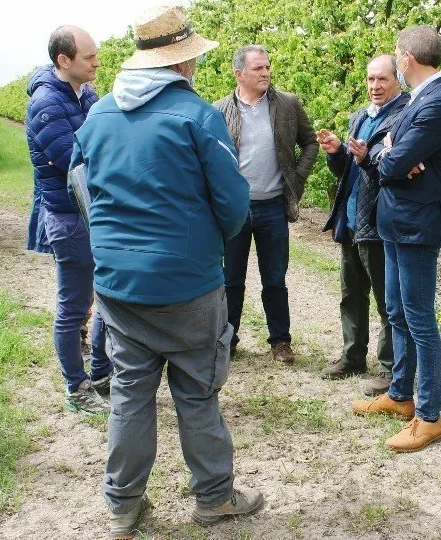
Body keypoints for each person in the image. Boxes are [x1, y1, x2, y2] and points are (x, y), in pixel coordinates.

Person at [70, 6, 264, 537]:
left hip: (119, 284)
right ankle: (214, 499)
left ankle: (123, 506)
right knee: (197, 391)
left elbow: (80, 185)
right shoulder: (198, 116)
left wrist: (111, 243)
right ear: (182, 64)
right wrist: (202, 246)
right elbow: (232, 204)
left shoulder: (99, 115)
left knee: (131, 392)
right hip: (186, 284)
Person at [350, 26, 441, 453]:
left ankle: (430, 416)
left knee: (419, 317)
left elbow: (394, 160)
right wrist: (390, 153)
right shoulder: (419, 100)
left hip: (417, 225)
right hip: (395, 221)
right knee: (397, 310)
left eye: (395, 58)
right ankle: (400, 395)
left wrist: (393, 155)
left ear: (406, 59)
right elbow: (387, 151)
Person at [214, 45, 320, 364]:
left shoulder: (286, 104)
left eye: (267, 67)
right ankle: (227, 340)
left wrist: (296, 179)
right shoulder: (218, 110)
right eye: (258, 68)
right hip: (235, 209)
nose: (265, 73)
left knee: (274, 278)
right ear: (239, 74)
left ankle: (280, 341)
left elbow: (311, 143)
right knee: (230, 279)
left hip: (272, 206)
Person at [25, 25, 111, 415]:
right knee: (74, 304)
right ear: (64, 60)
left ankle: (101, 372)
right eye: (88, 56)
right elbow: (74, 158)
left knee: (104, 296)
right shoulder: (46, 103)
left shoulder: (85, 95)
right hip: (68, 215)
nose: (96, 62)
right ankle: (76, 389)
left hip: (92, 212)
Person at [317, 55, 408, 396]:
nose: (375, 86)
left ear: (397, 78)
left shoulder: (403, 117)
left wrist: (366, 156)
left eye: (382, 79)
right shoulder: (360, 116)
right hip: (351, 220)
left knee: (388, 302)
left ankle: (389, 371)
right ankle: (352, 357)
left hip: (379, 221)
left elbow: (394, 171)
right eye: (370, 79)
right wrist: (337, 153)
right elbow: (348, 172)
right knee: (351, 295)